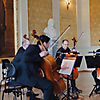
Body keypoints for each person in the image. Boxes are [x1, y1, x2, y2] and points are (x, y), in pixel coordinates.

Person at [16, 35, 54, 100]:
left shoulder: (38, 50)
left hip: (29, 76)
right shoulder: (33, 48)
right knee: (49, 85)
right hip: (27, 77)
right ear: (44, 43)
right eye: (48, 44)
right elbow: (25, 58)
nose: (48, 46)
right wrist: (39, 55)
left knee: (47, 84)